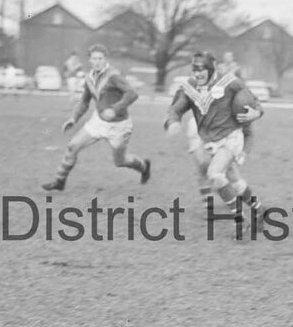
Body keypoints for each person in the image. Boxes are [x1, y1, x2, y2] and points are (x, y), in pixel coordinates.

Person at [165, 51, 263, 233]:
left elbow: (254, 101)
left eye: (203, 69)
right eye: (195, 69)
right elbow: (175, 108)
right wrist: (173, 122)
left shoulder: (230, 83)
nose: (198, 73)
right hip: (209, 141)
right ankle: (258, 210)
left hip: (230, 138)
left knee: (215, 174)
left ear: (212, 69)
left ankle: (240, 221)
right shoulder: (190, 87)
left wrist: (255, 112)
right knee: (234, 180)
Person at [42, 44, 151, 191]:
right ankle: (60, 181)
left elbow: (132, 94)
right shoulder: (89, 77)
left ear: (105, 59)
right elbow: (84, 101)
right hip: (98, 121)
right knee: (72, 146)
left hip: (119, 126)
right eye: (94, 58)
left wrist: (115, 109)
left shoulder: (114, 76)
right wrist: (73, 118)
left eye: (100, 58)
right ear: (89, 60)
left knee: (120, 161)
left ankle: (144, 167)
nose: (97, 61)